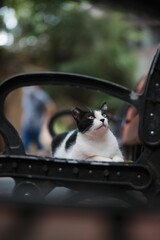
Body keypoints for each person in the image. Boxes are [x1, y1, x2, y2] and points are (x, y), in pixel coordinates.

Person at [21, 86, 56, 153]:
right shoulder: (26, 95)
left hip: (36, 126)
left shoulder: (41, 95)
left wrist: (46, 119)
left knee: (39, 147)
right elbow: (26, 110)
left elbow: (51, 106)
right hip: (26, 125)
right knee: (24, 147)